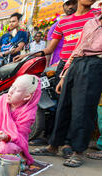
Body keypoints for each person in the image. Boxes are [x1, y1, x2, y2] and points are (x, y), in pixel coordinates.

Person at [32, 9, 102, 167]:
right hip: (76, 63)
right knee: (63, 106)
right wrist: (64, 73)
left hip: (96, 65)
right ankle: (53, 145)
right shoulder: (91, 22)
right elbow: (78, 46)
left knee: (83, 110)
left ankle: (78, 151)